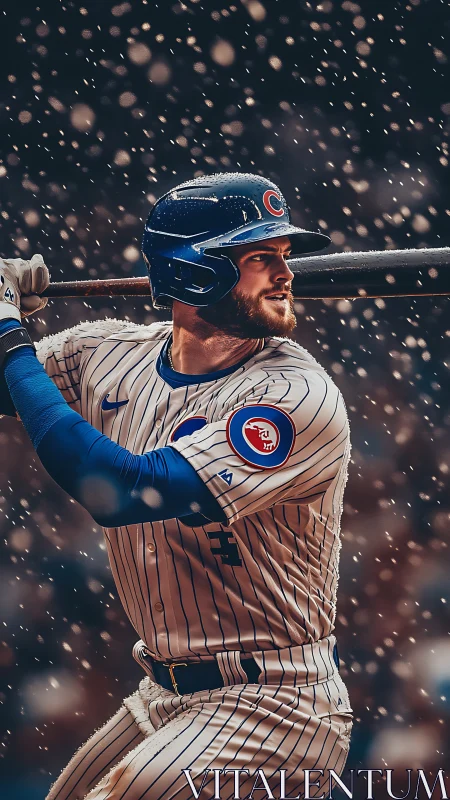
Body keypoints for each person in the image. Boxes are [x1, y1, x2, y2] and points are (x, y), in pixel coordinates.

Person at [0, 173, 353, 800]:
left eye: (284, 257)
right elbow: (10, 383)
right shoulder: (105, 352)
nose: (285, 273)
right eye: (259, 257)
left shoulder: (298, 395)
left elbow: (118, 490)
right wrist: (8, 321)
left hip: (276, 704)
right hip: (162, 693)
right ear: (196, 274)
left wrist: (9, 336)